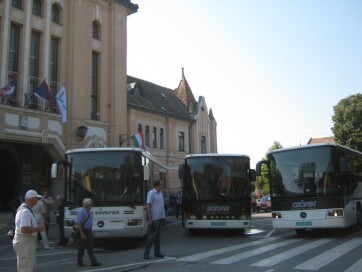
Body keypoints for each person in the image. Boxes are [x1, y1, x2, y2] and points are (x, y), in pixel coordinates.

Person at [13, 189, 46, 272]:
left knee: (27, 265)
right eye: (36, 199)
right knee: (25, 267)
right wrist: (39, 228)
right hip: (25, 241)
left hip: (24, 241)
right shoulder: (26, 212)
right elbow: (24, 229)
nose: (37, 202)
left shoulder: (25, 210)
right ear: (31, 199)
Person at [144, 180, 166, 259]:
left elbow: (161, 206)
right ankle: (146, 253)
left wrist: (164, 217)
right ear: (157, 185)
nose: (162, 185)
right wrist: (150, 218)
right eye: (161, 184)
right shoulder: (151, 193)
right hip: (154, 218)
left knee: (157, 237)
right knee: (151, 236)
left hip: (160, 218)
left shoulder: (160, 193)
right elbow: (148, 205)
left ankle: (157, 252)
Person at [76, 198, 101, 267]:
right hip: (83, 230)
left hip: (89, 230)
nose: (92, 205)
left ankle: (93, 261)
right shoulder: (81, 211)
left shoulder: (90, 212)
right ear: (87, 205)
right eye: (91, 204)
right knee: (81, 247)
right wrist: (81, 233)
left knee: (90, 247)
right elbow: (79, 224)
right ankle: (79, 262)